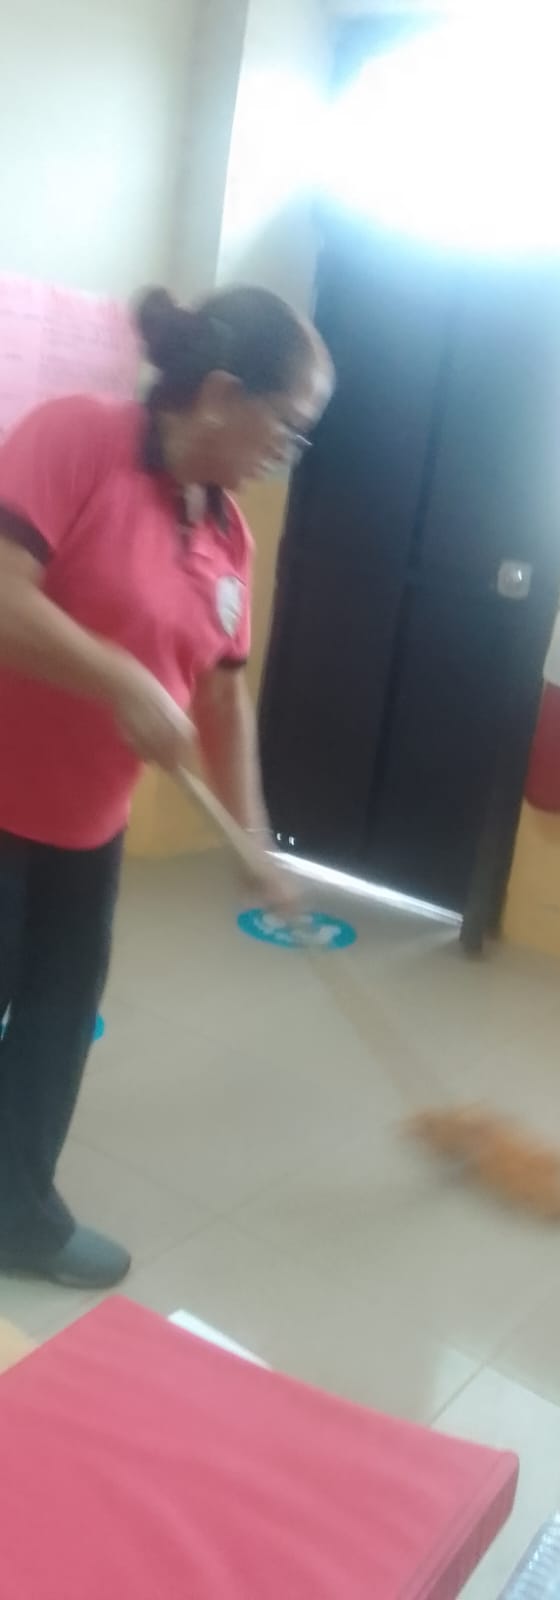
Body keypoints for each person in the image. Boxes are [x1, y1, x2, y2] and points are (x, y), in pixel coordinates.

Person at [0, 284, 333, 1290]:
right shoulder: (79, 437)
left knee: (56, 1023)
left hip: (83, 825)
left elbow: (223, 698)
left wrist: (253, 841)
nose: (288, 451)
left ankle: (16, 1216)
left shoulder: (228, 537)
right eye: (287, 425)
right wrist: (117, 676)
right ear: (223, 394)